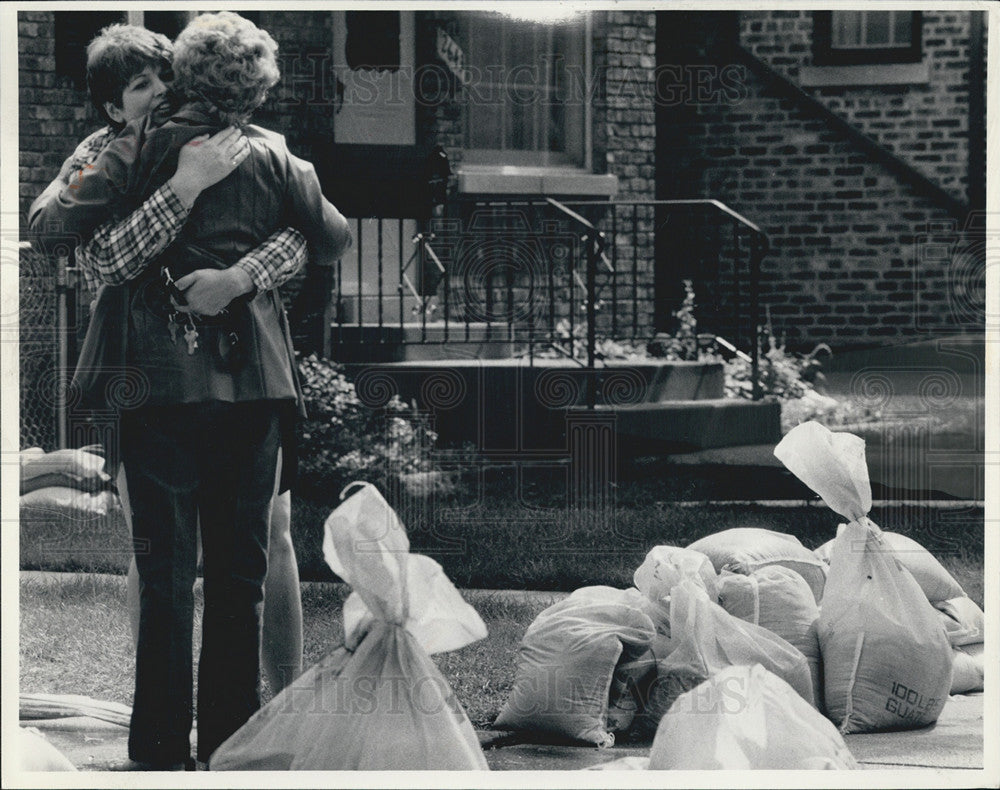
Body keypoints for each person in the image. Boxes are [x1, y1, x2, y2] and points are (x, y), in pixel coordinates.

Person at [31, 12, 351, 768]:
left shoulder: (129, 146)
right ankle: (236, 745)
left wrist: (241, 270)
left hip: (155, 383)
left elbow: (58, 232)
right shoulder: (277, 156)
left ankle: (157, 750)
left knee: (166, 567)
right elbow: (331, 238)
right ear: (260, 85)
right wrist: (214, 216)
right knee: (240, 576)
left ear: (185, 73)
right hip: (251, 388)